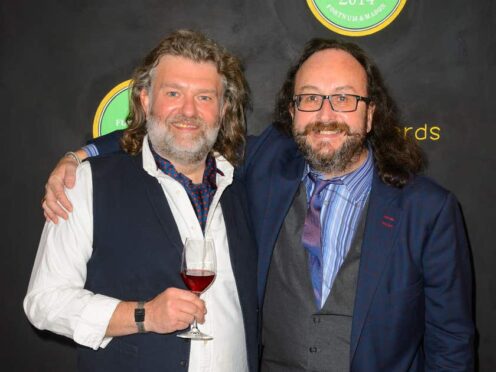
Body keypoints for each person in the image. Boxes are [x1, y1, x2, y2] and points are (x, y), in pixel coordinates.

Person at [42, 38, 474, 371]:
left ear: (370, 113)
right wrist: (84, 154)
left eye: (344, 98)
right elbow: (181, 130)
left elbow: (451, 344)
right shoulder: (267, 165)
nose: (326, 114)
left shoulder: (427, 211)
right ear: (293, 111)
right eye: (310, 98)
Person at [25, 30, 258, 372]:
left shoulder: (243, 185)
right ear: (146, 100)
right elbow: (44, 302)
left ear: (222, 110)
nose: (188, 111)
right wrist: (142, 316)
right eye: (174, 93)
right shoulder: (87, 183)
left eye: (205, 97)